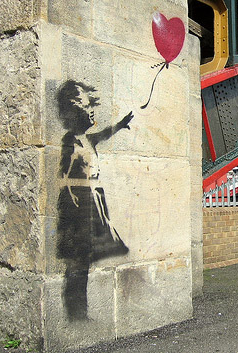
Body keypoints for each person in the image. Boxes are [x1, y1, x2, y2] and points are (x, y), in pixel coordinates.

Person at [56, 80, 133, 321]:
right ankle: (77, 313)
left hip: (95, 204)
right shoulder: (71, 142)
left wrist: (120, 125)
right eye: (88, 106)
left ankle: (81, 311)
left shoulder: (88, 140)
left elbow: (102, 134)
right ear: (75, 109)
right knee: (78, 263)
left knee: (85, 261)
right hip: (82, 207)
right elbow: (64, 176)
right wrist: (74, 203)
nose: (92, 111)